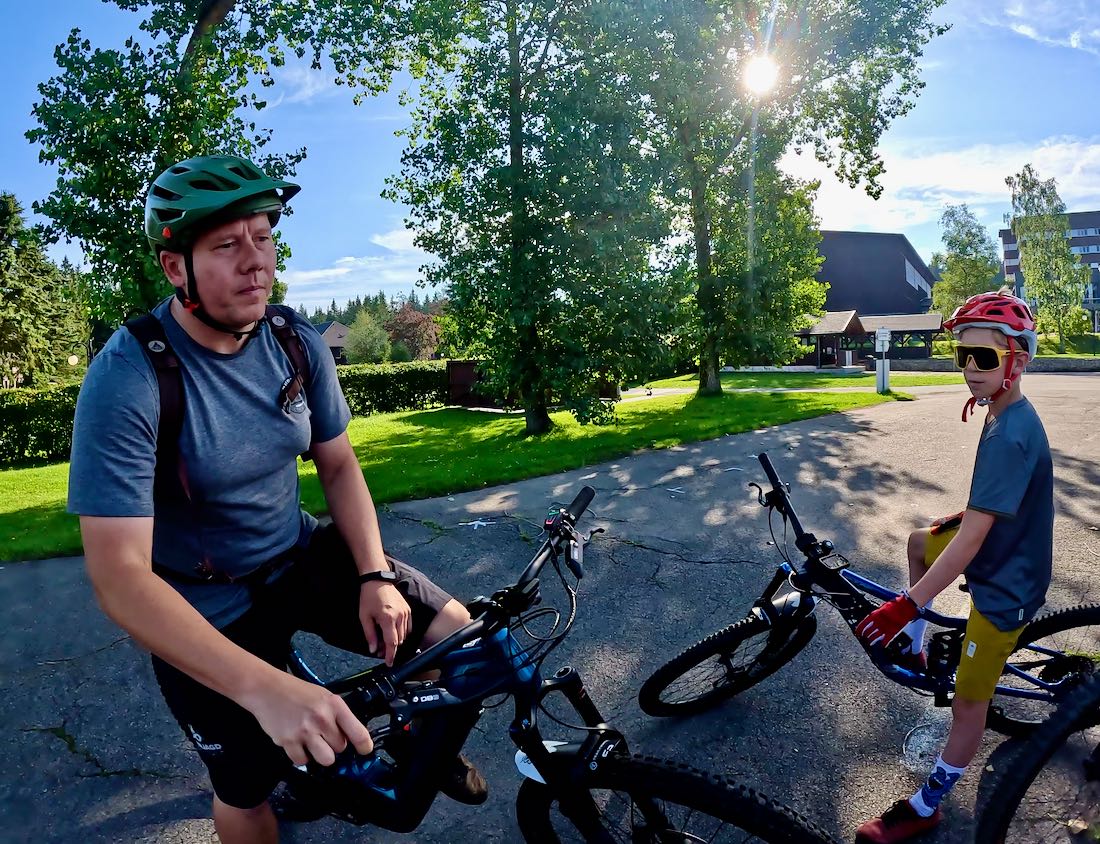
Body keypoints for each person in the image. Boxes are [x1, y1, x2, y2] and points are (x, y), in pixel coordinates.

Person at [68, 154, 485, 844]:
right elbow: (118, 577)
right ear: (177, 268)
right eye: (228, 245)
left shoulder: (293, 341)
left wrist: (376, 574)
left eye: (263, 237)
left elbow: (340, 465)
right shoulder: (129, 376)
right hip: (206, 604)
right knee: (246, 790)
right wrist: (265, 691)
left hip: (297, 554)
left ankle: (415, 746)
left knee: (457, 638)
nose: (255, 261)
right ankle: (283, 767)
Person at [852, 290, 1054, 844]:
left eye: (983, 358)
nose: (969, 369)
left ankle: (927, 805)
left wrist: (907, 603)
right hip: (993, 540)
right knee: (920, 542)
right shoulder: (1004, 411)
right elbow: (997, 507)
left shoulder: (1011, 432)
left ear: (1018, 358)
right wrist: (974, 513)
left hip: (1006, 582)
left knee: (969, 705)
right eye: (961, 357)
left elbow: (970, 544)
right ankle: (919, 646)